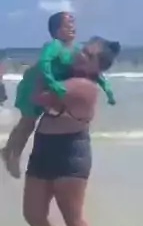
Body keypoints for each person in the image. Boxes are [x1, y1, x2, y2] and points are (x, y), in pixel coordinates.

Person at [23, 37, 119, 226]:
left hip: (70, 152)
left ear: (98, 67)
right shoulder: (66, 76)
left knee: (73, 219)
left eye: (88, 55)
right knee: (33, 214)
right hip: (43, 147)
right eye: (82, 49)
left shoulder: (84, 87)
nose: (79, 54)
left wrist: (46, 59)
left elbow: (37, 96)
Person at [1, 13, 116, 178]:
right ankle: (12, 154)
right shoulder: (53, 46)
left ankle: (10, 151)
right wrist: (52, 83)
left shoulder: (78, 49)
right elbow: (44, 65)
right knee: (27, 123)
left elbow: (94, 70)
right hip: (33, 85)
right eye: (66, 26)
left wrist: (108, 90)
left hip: (48, 88)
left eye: (73, 24)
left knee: (38, 121)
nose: (72, 28)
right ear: (56, 30)